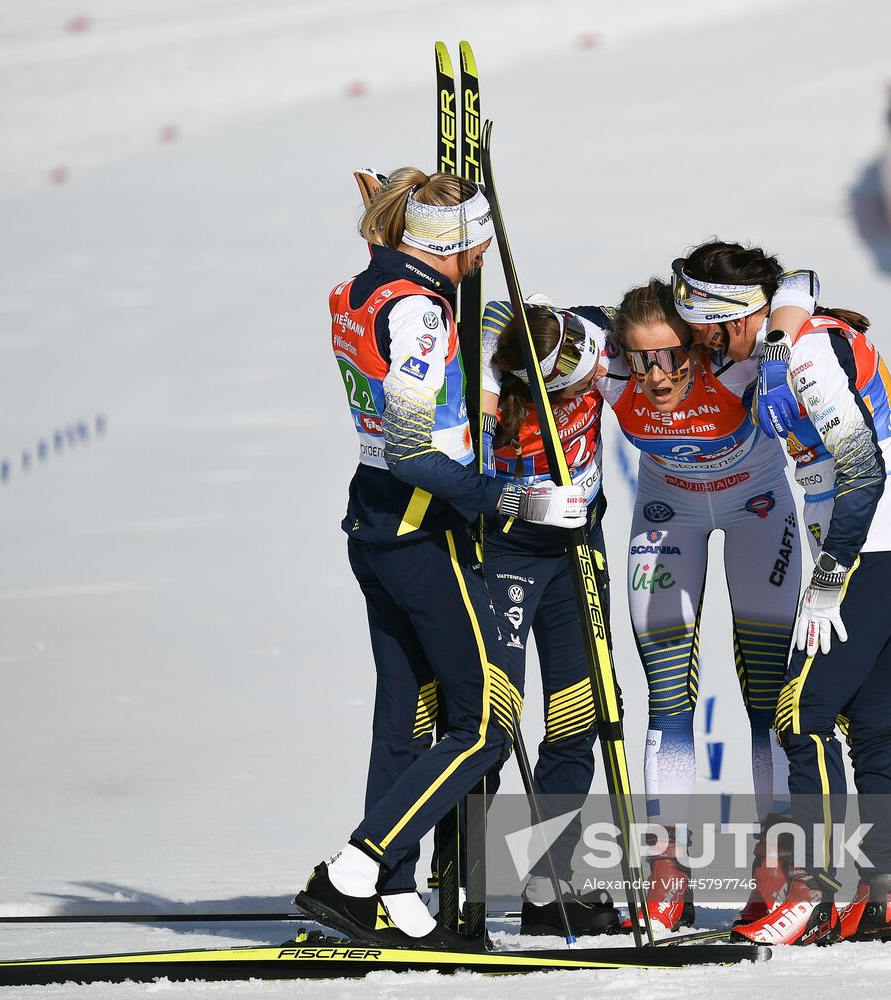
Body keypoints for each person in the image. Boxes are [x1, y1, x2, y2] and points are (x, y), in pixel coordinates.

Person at [296, 167, 589, 949]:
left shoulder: (356, 289)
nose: (488, 248)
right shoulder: (422, 315)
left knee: (402, 721)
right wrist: (512, 499)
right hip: (423, 534)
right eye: (480, 237)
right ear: (457, 244)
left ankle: (389, 897)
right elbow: (409, 450)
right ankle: (354, 870)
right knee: (485, 725)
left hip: (374, 528)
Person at [715, 247, 891, 946]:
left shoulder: (806, 358)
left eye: (705, 326)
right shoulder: (786, 336)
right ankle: (885, 898)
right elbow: (797, 279)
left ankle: (810, 895)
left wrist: (827, 579)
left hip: (871, 554)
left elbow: (863, 471)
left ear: (736, 316)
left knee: (801, 712)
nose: (701, 343)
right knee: (871, 722)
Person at [597, 264, 817, 935]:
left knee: (764, 701)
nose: (655, 376)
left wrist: (777, 334)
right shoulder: (610, 370)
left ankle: (773, 868)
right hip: (668, 514)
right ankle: (667, 871)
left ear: (697, 345)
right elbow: (508, 325)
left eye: (669, 355)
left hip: (758, 510)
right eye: (640, 360)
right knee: (665, 701)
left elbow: (800, 285)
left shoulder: (737, 366)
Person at [479, 297, 621, 936]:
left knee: (577, 717)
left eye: (589, 357)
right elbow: (479, 320)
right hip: (503, 552)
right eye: (579, 375)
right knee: (489, 723)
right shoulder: (495, 392)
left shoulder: (586, 330)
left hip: (576, 552)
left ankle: (549, 883)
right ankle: (454, 883)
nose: (598, 373)